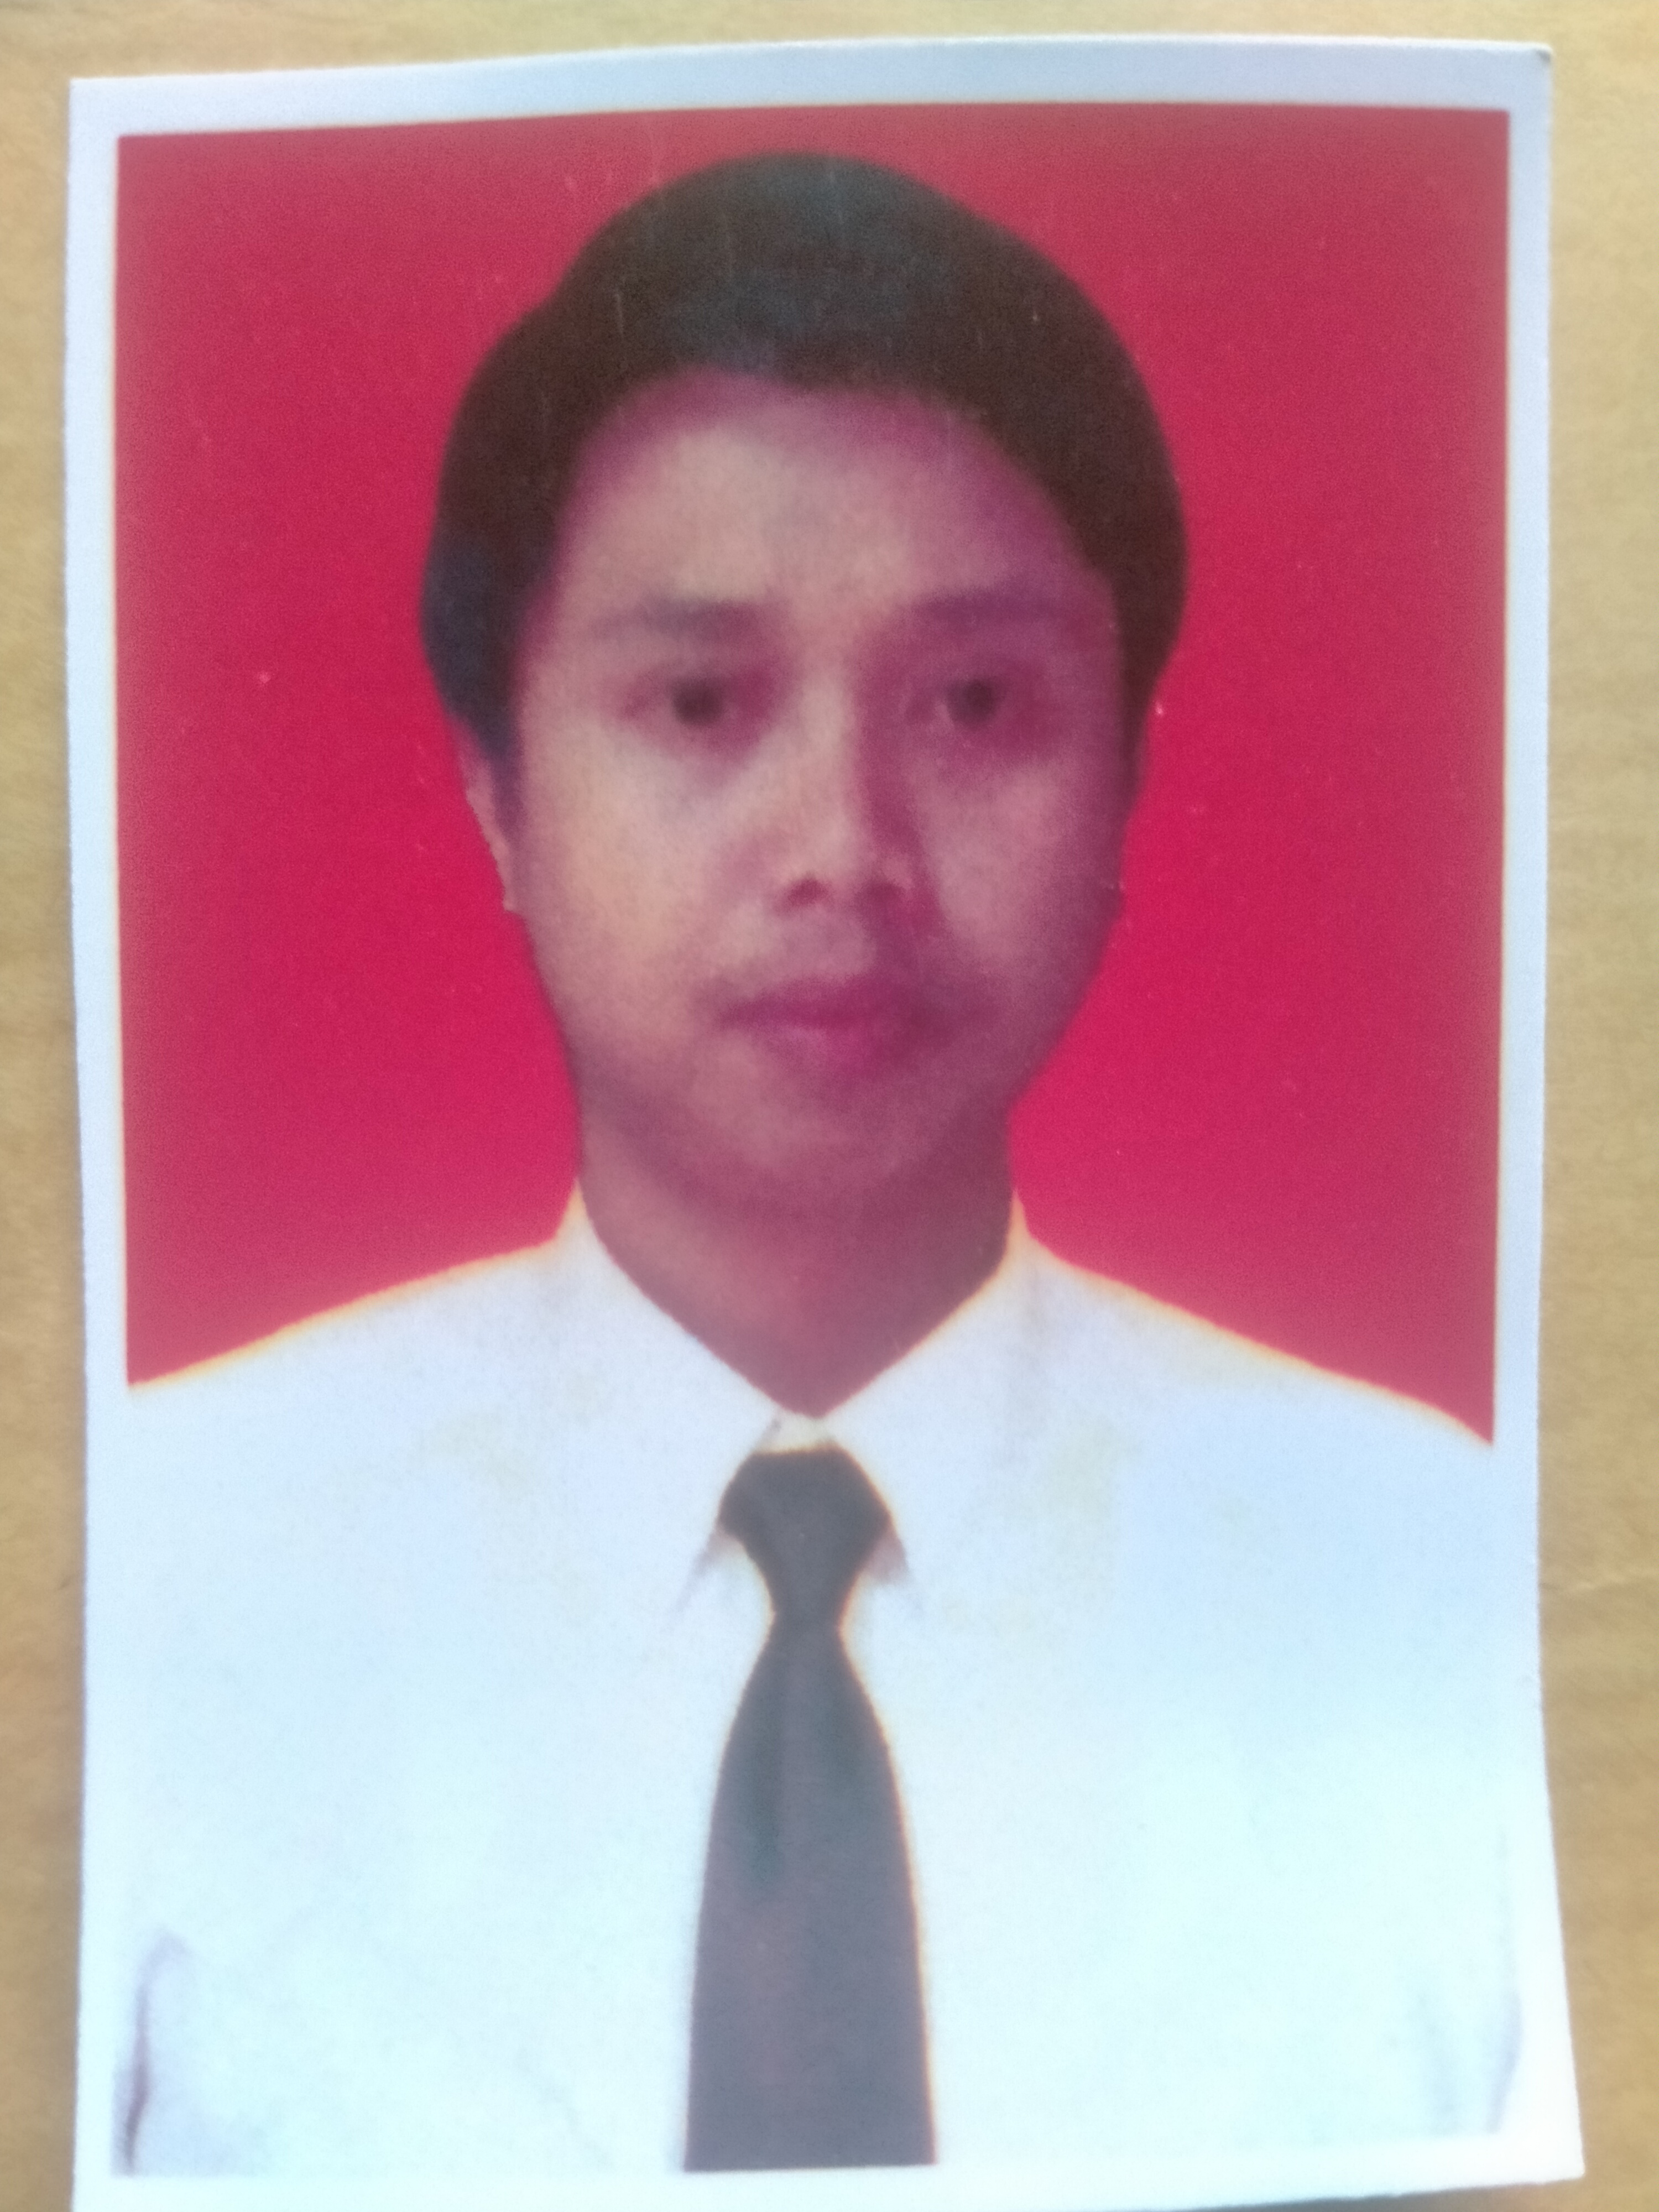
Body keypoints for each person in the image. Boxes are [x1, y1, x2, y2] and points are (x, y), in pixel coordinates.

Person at [101, 154, 1552, 2185]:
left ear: (1127, 773)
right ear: (499, 787)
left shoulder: (1429, 1580)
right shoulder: (156, 1561)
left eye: (976, 704)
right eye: (701, 701)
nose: (844, 848)